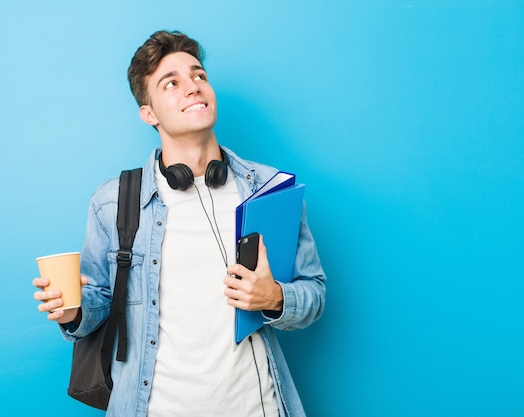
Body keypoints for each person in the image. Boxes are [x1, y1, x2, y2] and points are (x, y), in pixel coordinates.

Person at [33, 30, 326, 417]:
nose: (193, 87)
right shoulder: (114, 202)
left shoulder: (268, 189)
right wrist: (70, 310)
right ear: (149, 113)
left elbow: (314, 293)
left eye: (199, 76)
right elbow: (98, 301)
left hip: (260, 407)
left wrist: (273, 298)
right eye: (171, 83)